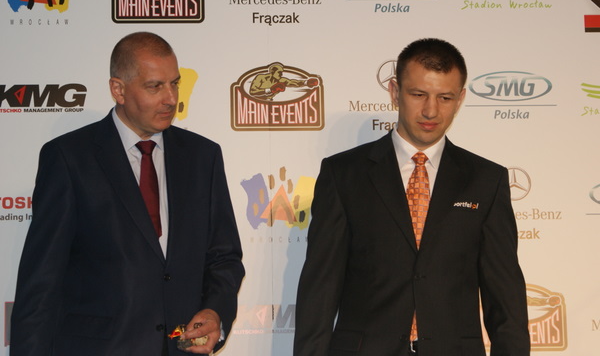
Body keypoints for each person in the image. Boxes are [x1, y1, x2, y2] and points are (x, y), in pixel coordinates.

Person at [10, 32, 245, 356]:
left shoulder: (203, 156)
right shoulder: (69, 157)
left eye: (174, 83)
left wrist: (216, 310)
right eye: (155, 86)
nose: (170, 98)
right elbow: (41, 281)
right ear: (118, 90)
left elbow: (224, 257)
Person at [294, 38, 529, 356]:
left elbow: (506, 299)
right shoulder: (344, 174)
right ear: (394, 92)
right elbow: (319, 290)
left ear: (460, 99)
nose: (431, 110)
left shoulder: (486, 180)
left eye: (445, 97)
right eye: (418, 94)